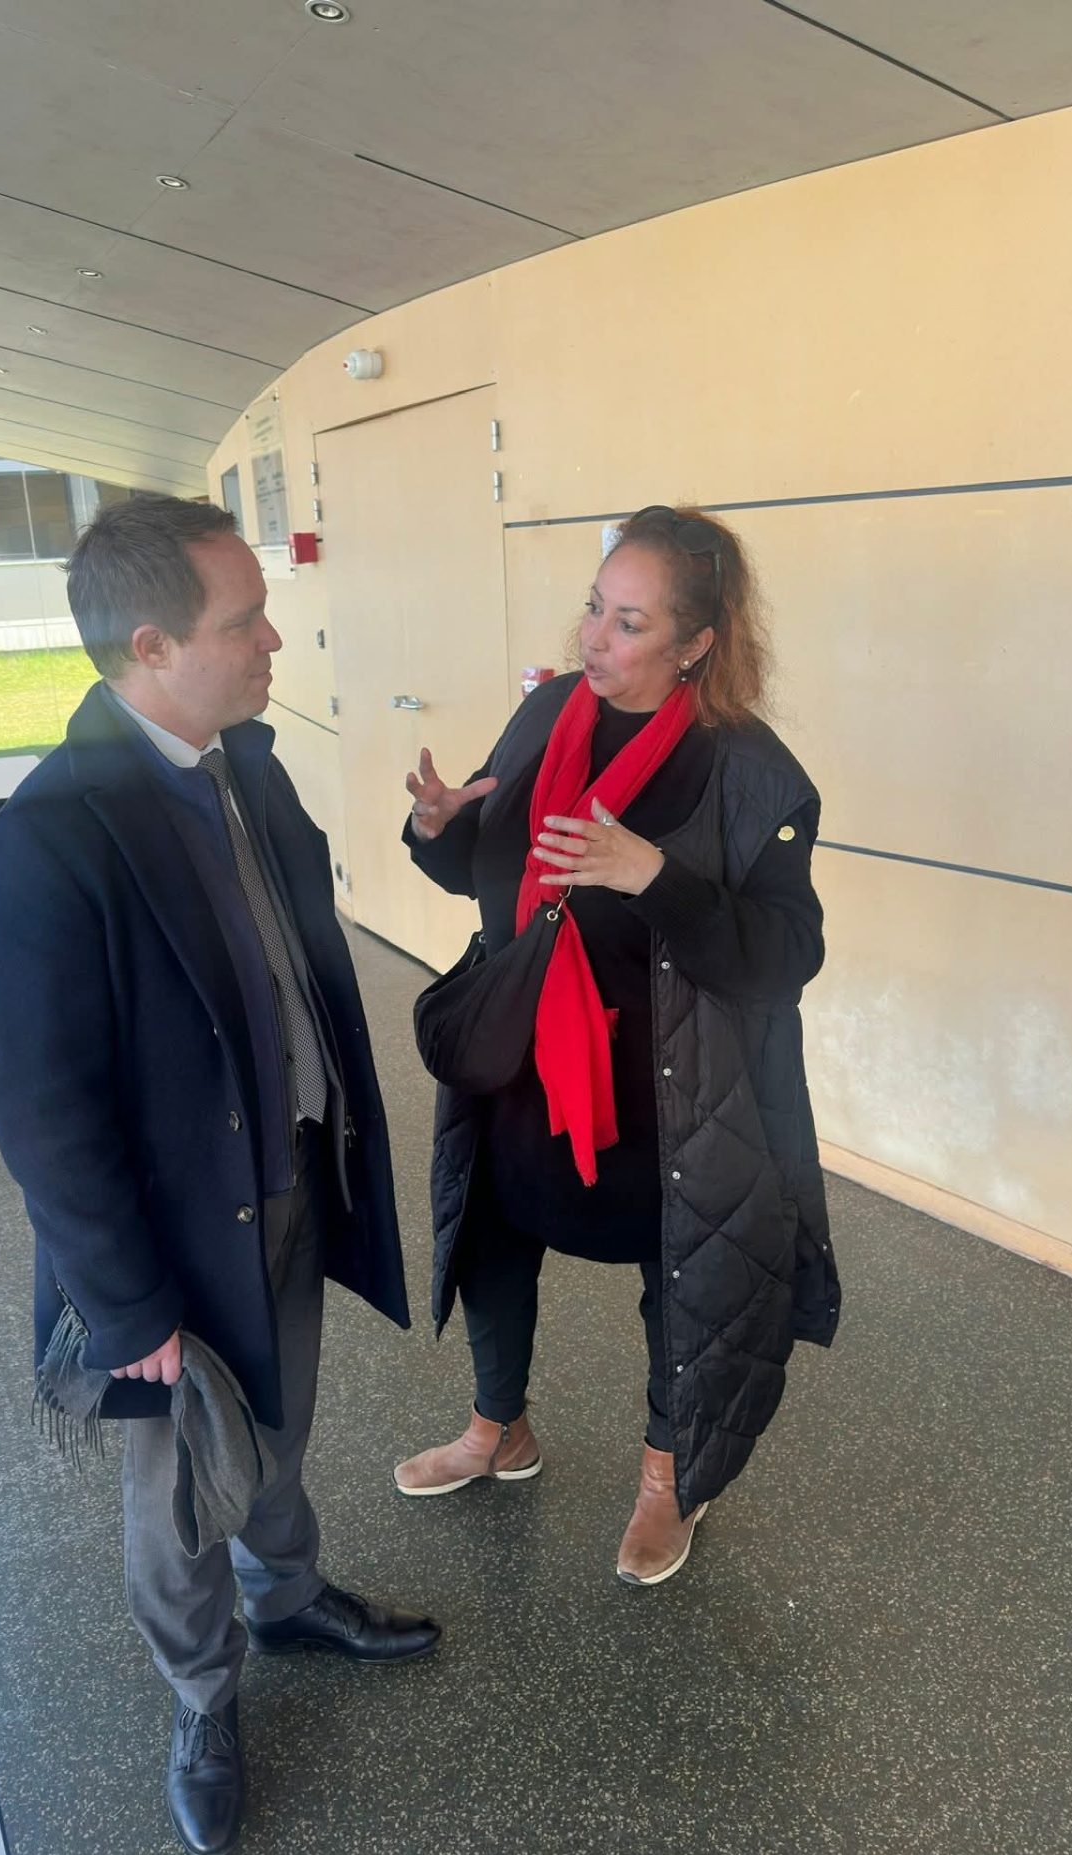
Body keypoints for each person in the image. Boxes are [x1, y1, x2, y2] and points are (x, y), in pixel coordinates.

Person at [0, 494, 439, 1855]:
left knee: (275, 1426)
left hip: (289, 1177)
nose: (275, 639)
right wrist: (128, 1308)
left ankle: (284, 1597)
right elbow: (45, 1114)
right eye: (247, 621)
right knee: (183, 1489)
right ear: (153, 645)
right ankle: (200, 1698)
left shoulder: (246, 767)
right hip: (173, 1242)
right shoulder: (51, 839)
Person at [394, 504, 840, 1583]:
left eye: (628, 623)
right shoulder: (548, 712)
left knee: (678, 1278)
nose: (594, 638)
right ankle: (497, 1428)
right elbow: (497, 872)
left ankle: (665, 1479)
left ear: (697, 643)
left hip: (667, 1085)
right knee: (493, 1238)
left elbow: (789, 952)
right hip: (522, 1053)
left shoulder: (752, 771)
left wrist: (654, 876)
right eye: (595, 607)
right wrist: (438, 829)